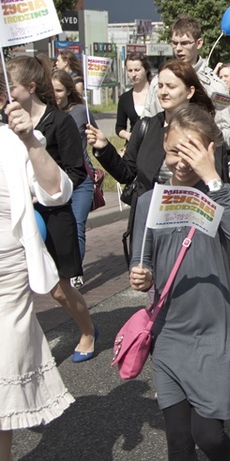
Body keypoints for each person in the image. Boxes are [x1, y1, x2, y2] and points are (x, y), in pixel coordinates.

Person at [129, 104, 230, 461]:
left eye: (192, 153)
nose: (181, 161)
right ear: (164, 142)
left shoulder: (220, 194)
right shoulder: (149, 201)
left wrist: (213, 179)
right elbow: (142, 262)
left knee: (208, 437)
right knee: (179, 441)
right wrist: (141, 276)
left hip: (212, 329)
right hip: (168, 332)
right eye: (175, 150)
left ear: (209, 151)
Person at [7, 55, 97, 363]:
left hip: (53, 213)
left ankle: (87, 331)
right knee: (17, 285)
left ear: (30, 88)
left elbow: (76, 171)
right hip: (17, 214)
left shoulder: (59, 122)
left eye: (12, 86)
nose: (6, 92)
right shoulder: (5, 123)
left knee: (59, 289)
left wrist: (41, 191)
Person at [0, 99, 75, 461]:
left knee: (4, 376)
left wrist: (31, 141)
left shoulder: (15, 142)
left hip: (7, 282)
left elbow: (57, 191)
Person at [87, 60, 222, 261]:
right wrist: (104, 148)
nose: (163, 92)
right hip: (149, 224)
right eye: (160, 86)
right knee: (151, 285)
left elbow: (216, 180)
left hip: (191, 225)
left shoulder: (204, 129)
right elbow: (127, 174)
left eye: (171, 86)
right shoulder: (146, 126)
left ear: (190, 91)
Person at [142, 14, 230, 149]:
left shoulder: (215, 85)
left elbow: (228, 132)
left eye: (185, 43)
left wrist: (203, 142)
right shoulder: (158, 82)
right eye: (175, 43)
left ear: (199, 43)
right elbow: (147, 121)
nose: (179, 48)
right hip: (162, 159)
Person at [51, 70, 98, 288]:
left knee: (77, 225)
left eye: (59, 90)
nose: (56, 94)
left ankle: (75, 272)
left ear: (69, 90)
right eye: (52, 90)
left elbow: (96, 138)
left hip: (81, 179)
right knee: (61, 229)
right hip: (56, 179)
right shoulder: (47, 113)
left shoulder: (81, 111)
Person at [116, 52, 153, 142]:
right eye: (130, 70)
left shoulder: (157, 93)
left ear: (146, 69)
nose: (133, 74)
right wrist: (129, 136)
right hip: (134, 146)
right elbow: (119, 128)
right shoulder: (125, 98)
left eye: (137, 70)